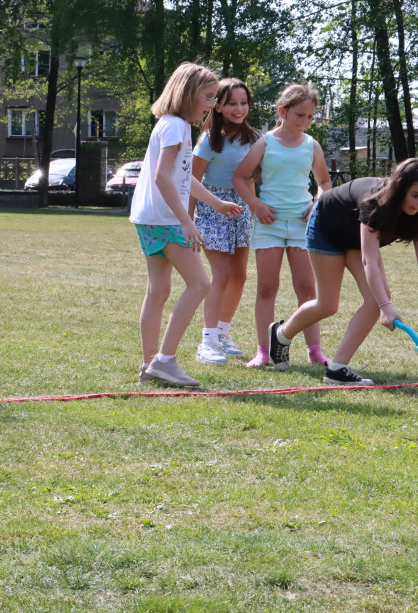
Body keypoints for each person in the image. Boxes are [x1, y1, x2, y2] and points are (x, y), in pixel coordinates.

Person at [267, 158, 418, 385]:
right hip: (327, 226)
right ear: (400, 188)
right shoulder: (376, 203)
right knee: (328, 304)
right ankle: (281, 334)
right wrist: (385, 308)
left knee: (376, 299)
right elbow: (369, 260)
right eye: (415, 195)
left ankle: (337, 369)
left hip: (354, 236)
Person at [130, 62, 243, 387]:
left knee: (159, 291)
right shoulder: (177, 127)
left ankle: (150, 363)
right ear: (188, 93)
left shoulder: (169, 124)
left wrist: (216, 203)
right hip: (165, 219)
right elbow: (162, 176)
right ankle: (165, 361)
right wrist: (185, 221)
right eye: (208, 97)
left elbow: (182, 178)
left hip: (148, 218)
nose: (213, 105)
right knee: (201, 284)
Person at [232, 83, 332, 369]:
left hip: (302, 227)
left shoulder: (312, 145)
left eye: (310, 117)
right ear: (282, 112)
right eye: (300, 115)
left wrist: (317, 203)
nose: (305, 121)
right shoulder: (265, 142)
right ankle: (264, 352)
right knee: (267, 288)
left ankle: (315, 351)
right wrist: (256, 205)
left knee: (308, 290)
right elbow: (240, 178)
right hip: (269, 225)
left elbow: (324, 183)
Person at [188, 78, 258, 365]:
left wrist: (253, 210)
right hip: (212, 207)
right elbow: (190, 180)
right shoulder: (209, 140)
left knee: (239, 276)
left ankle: (222, 334)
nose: (239, 108)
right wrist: (188, 220)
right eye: (231, 103)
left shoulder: (254, 139)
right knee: (222, 275)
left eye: (243, 102)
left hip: (242, 210)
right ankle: (206, 342)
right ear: (217, 106)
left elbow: (250, 180)